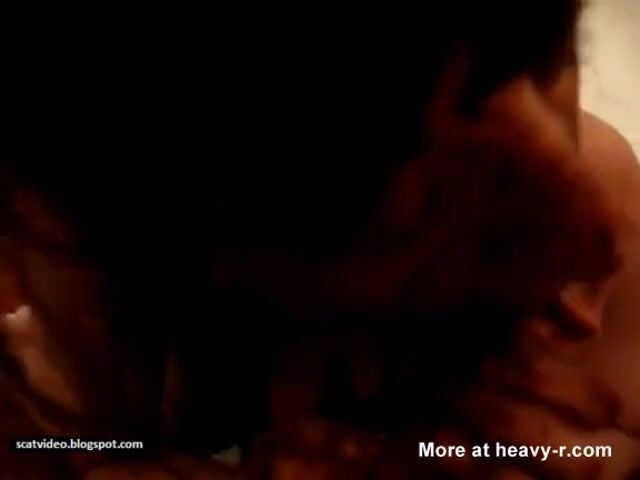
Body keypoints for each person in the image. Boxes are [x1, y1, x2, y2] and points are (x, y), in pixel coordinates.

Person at [2, 0, 639, 478]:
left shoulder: (602, 186)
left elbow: (606, 447)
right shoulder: (87, 311)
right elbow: (67, 441)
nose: (598, 245)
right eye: (428, 207)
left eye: (547, 56)